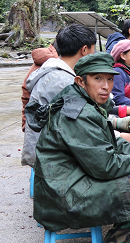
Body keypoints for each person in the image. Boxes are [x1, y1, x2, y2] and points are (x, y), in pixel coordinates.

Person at [28, 52, 130, 243]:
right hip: (63, 197)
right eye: (97, 79)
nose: (106, 86)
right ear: (81, 81)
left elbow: (110, 146)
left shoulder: (84, 102)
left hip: (72, 181)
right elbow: (105, 167)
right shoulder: (78, 113)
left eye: (109, 79)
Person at [22, 24, 97, 167]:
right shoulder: (64, 82)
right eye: (93, 49)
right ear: (85, 49)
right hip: (51, 157)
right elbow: (81, 124)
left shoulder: (54, 71)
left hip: (44, 148)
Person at [21, 43, 58, 131]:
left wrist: (25, 123)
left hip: (33, 121)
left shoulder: (41, 61)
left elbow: (26, 94)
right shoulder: (56, 66)